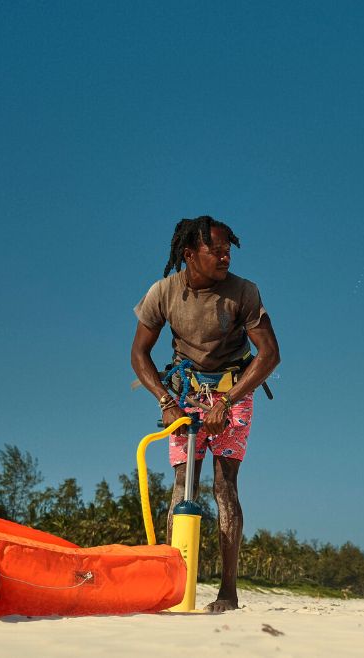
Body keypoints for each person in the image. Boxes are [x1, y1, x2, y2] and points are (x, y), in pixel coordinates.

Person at [131, 216, 281, 613]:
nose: (224, 255)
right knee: (183, 482)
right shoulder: (163, 292)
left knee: (223, 484)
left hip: (235, 388)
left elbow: (270, 354)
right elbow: (138, 354)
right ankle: (170, 587)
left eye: (227, 249)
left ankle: (227, 592)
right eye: (215, 249)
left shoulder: (244, 292)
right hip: (187, 392)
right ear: (189, 254)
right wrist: (166, 401)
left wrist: (227, 402)